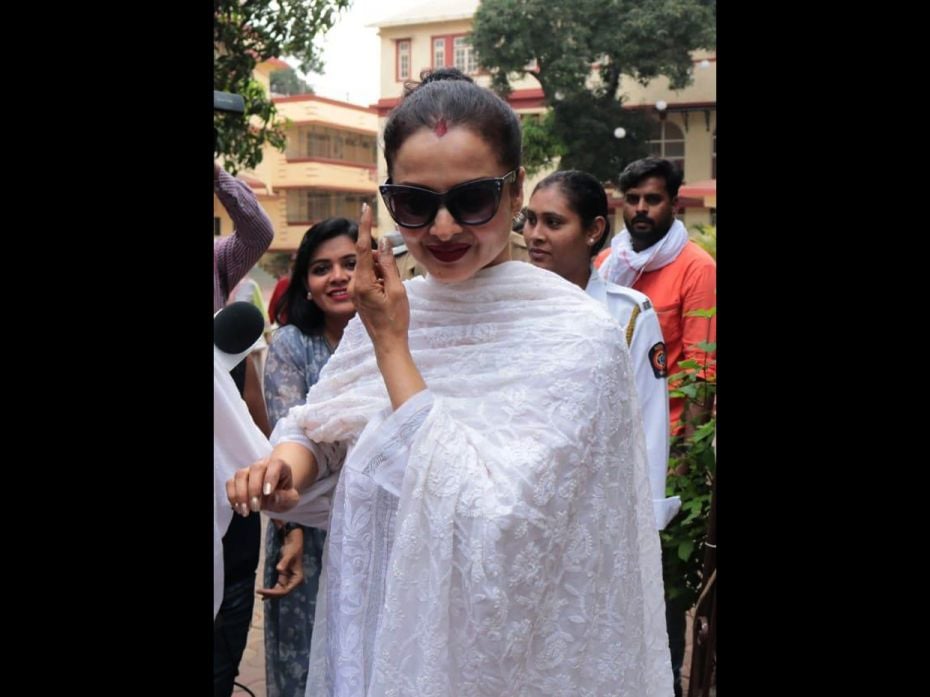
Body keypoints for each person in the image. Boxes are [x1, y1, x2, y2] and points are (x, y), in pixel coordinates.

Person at [227, 68, 672, 696]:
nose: (441, 228)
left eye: (471, 200)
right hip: (382, 626)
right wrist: (288, 469)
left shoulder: (577, 335)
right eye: (414, 202)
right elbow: (330, 423)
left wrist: (392, 345)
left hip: (505, 661)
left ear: (515, 192)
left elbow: (498, 525)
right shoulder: (393, 314)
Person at [596, 157, 716, 697]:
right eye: (633, 198)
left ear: (674, 203)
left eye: (653, 199)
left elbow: (701, 371)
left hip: (661, 461)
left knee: (657, 590)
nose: (641, 209)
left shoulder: (696, 268)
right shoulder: (607, 263)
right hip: (605, 456)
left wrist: (682, 463)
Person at [523, 169, 679, 530]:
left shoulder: (627, 315)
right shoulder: (509, 306)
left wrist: (647, 520)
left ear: (593, 231)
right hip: (524, 505)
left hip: (598, 507)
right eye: (530, 220)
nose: (535, 235)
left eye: (553, 222)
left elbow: (649, 419)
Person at [260, 218, 372, 697]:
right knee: (304, 667)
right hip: (306, 534)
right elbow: (290, 448)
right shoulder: (291, 344)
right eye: (322, 268)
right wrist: (293, 533)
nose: (338, 277)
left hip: (372, 528)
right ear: (305, 283)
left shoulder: (389, 339)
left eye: (350, 263)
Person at [213, 161, 275, 697]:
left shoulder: (218, 261)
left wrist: (217, 177)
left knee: (232, 593)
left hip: (226, 455)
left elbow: (259, 232)